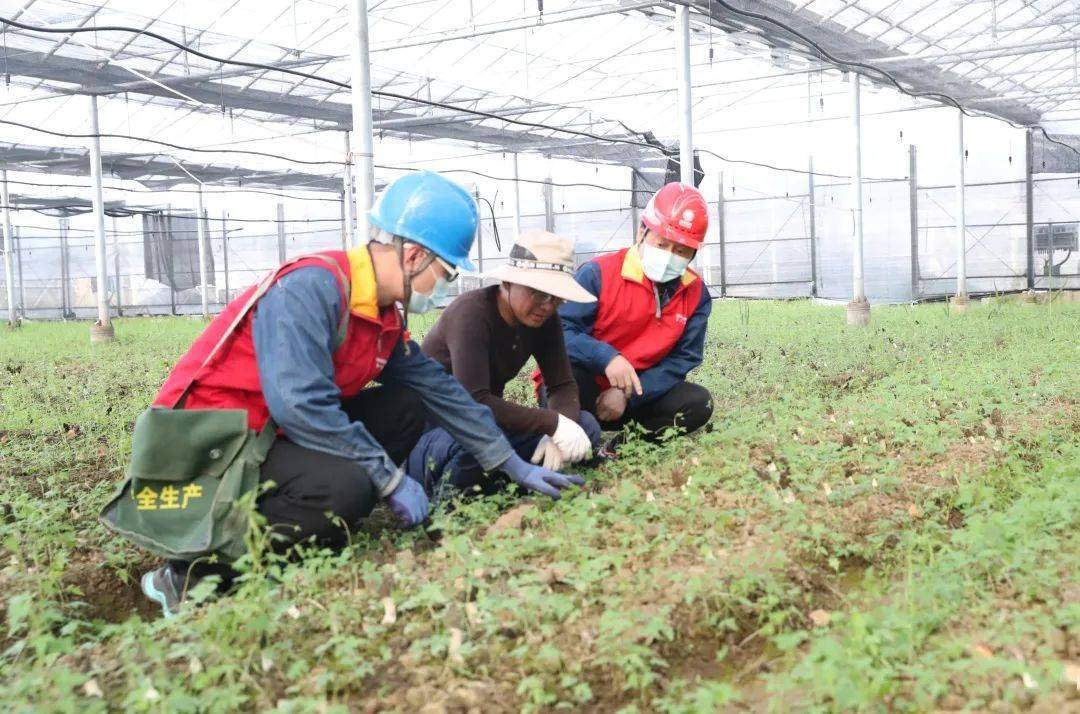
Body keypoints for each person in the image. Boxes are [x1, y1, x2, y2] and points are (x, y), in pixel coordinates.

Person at [137, 172, 582, 617]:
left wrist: (506, 460)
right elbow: (299, 405)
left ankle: (312, 526)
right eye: (446, 274)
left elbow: (441, 391)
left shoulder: (380, 316)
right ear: (413, 256)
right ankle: (191, 573)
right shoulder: (311, 288)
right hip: (212, 446)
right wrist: (387, 478)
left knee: (408, 406)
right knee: (347, 484)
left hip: (267, 436)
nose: (445, 288)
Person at [407, 230, 601, 498]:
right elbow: (474, 401)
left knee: (585, 425)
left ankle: (505, 482)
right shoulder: (471, 313)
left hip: (485, 427)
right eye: (537, 293)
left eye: (555, 297)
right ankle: (453, 501)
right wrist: (551, 422)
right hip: (437, 433)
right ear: (507, 283)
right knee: (476, 445)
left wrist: (558, 430)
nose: (547, 305)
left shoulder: (545, 320)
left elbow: (562, 384)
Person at [551, 182, 713, 441]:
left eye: (681, 251)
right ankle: (580, 435)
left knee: (697, 402)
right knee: (566, 393)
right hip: (583, 388)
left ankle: (625, 446)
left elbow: (683, 359)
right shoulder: (597, 274)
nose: (670, 256)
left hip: (636, 396)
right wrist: (607, 358)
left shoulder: (696, 294)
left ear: (693, 253)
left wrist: (628, 393)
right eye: (662, 244)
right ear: (641, 232)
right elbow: (560, 332)